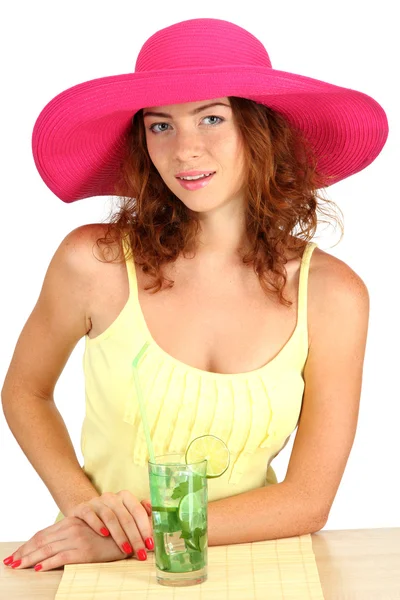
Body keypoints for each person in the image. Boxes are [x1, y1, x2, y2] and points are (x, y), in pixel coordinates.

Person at [1, 17, 388, 573]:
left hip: (261, 567)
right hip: (107, 571)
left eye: (211, 118)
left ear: (261, 131)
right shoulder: (94, 263)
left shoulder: (332, 294)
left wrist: (137, 536)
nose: (185, 150)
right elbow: (24, 392)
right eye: (161, 126)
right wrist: (88, 512)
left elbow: (308, 500)